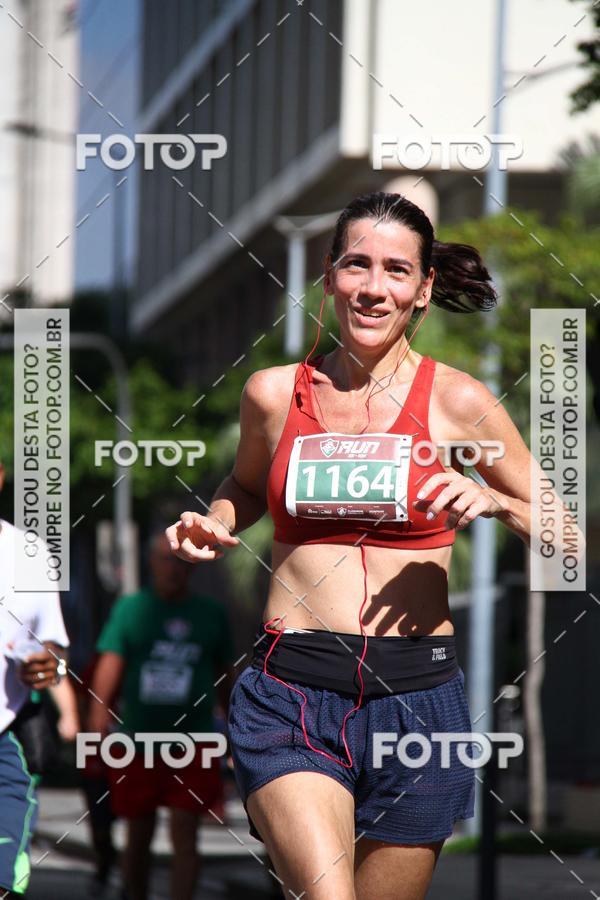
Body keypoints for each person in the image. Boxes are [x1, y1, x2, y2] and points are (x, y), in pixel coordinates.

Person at [165, 191, 547, 900]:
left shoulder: (459, 401)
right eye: (356, 265)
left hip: (419, 701)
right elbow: (245, 488)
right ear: (329, 275)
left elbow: (569, 532)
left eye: (397, 271)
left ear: (423, 290)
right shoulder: (274, 395)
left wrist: (497, 500)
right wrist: (215, 521)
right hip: (291, 691)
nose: (374, 288)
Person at [88, 531, 234, 900]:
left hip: (193, 743)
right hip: (139, 742)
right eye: (165, 560)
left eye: (181, 562)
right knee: (138, 834)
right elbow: (107, 672)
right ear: (151, 563)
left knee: (186, 832)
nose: (173, 569)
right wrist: (94, 734)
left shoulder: (211, 614)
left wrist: (235, 732)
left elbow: (225, 679)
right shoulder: (131, 609)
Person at [0, 463, 69, 898]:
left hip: (10, 732)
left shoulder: (29, 553)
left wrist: (49, 665)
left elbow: (55, 647)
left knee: (5, 875)